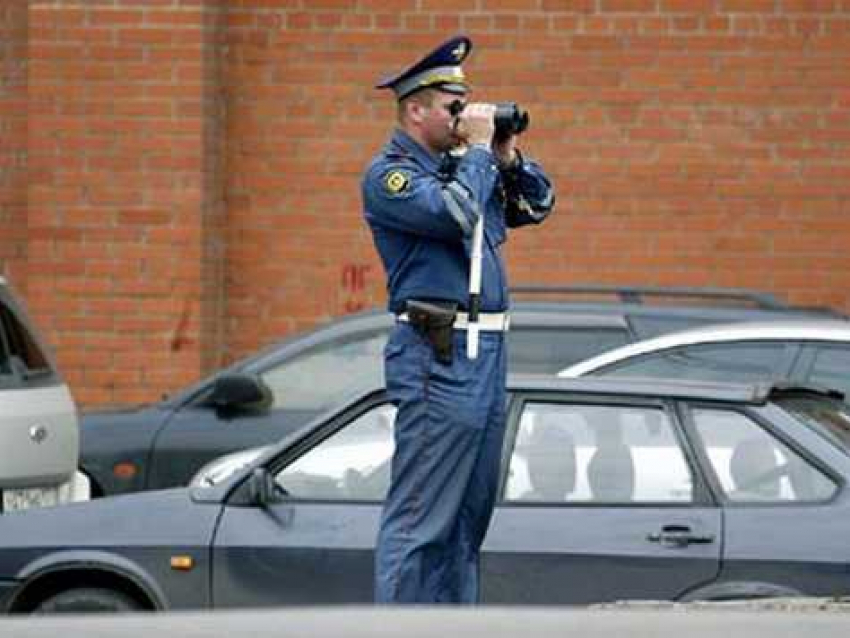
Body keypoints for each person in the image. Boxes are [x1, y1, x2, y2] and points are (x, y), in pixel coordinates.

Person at [361, 35, 555, 604]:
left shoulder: (467, 166)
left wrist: (506, 158)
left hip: (487, 355)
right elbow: (456, 215)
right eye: (452, 107)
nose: (462, 117)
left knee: (468, 524)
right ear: (415, 110)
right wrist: (474, 157)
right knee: (423, 519)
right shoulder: (390, 175)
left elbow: (536, 206)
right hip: (436, 356)